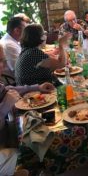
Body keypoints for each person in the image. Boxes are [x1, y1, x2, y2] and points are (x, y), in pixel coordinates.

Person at [0, 44, 54, 176]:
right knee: (31, 149)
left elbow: (7, 90)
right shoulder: (33, 53)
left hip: (6, 136)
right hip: (4, 151)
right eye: (0, 61)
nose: (4, 66)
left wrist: (37, 87)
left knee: (37, 133)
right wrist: (3, 109)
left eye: (3, 61)